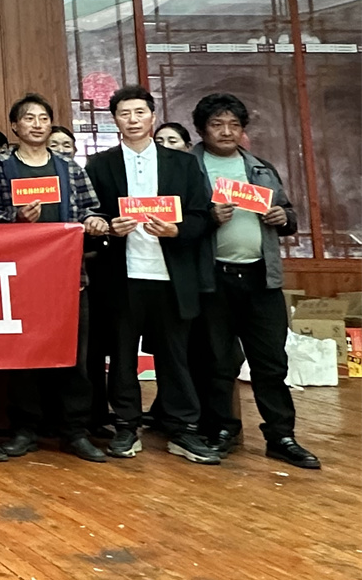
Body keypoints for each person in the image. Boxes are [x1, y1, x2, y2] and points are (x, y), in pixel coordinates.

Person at [86, 85, 218, 465]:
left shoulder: (183, 164)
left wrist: (176, 230)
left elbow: (201, 216)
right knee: (122, 356)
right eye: (124, 114)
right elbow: (91, 215)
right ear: (115, 120)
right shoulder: (99, 165)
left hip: (171, 275)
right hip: (122, 275)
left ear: (153, 117)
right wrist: (108, 227)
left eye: (139, 112)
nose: (133, 120)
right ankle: (126, 425)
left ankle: (182, 428)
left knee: (175, 356)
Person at [187, 93, 318, 469]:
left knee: (271, 362)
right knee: (217, 362)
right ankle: (221, 430)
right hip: (213, 279)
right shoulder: (188, 167)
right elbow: (180, 222)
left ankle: (281, 436)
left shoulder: (260, 168)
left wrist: (282, 217)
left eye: (234, 124)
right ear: (202, 129)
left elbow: (290, 214)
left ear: (243, 130)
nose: (226, 131)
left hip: (261, 279)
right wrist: (209, 218)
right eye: (217, 124)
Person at [0, 93, 112, 463]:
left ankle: (74, 431)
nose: (37, 124)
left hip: (69, 277)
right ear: (14, 126)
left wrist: (94, 221)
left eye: (43, 118)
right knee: (24, 356)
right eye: (29, 118)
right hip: (20, 278)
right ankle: (26, 429)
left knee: (75, 358)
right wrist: (17, 219)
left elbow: (90, 210)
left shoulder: (69, 168)